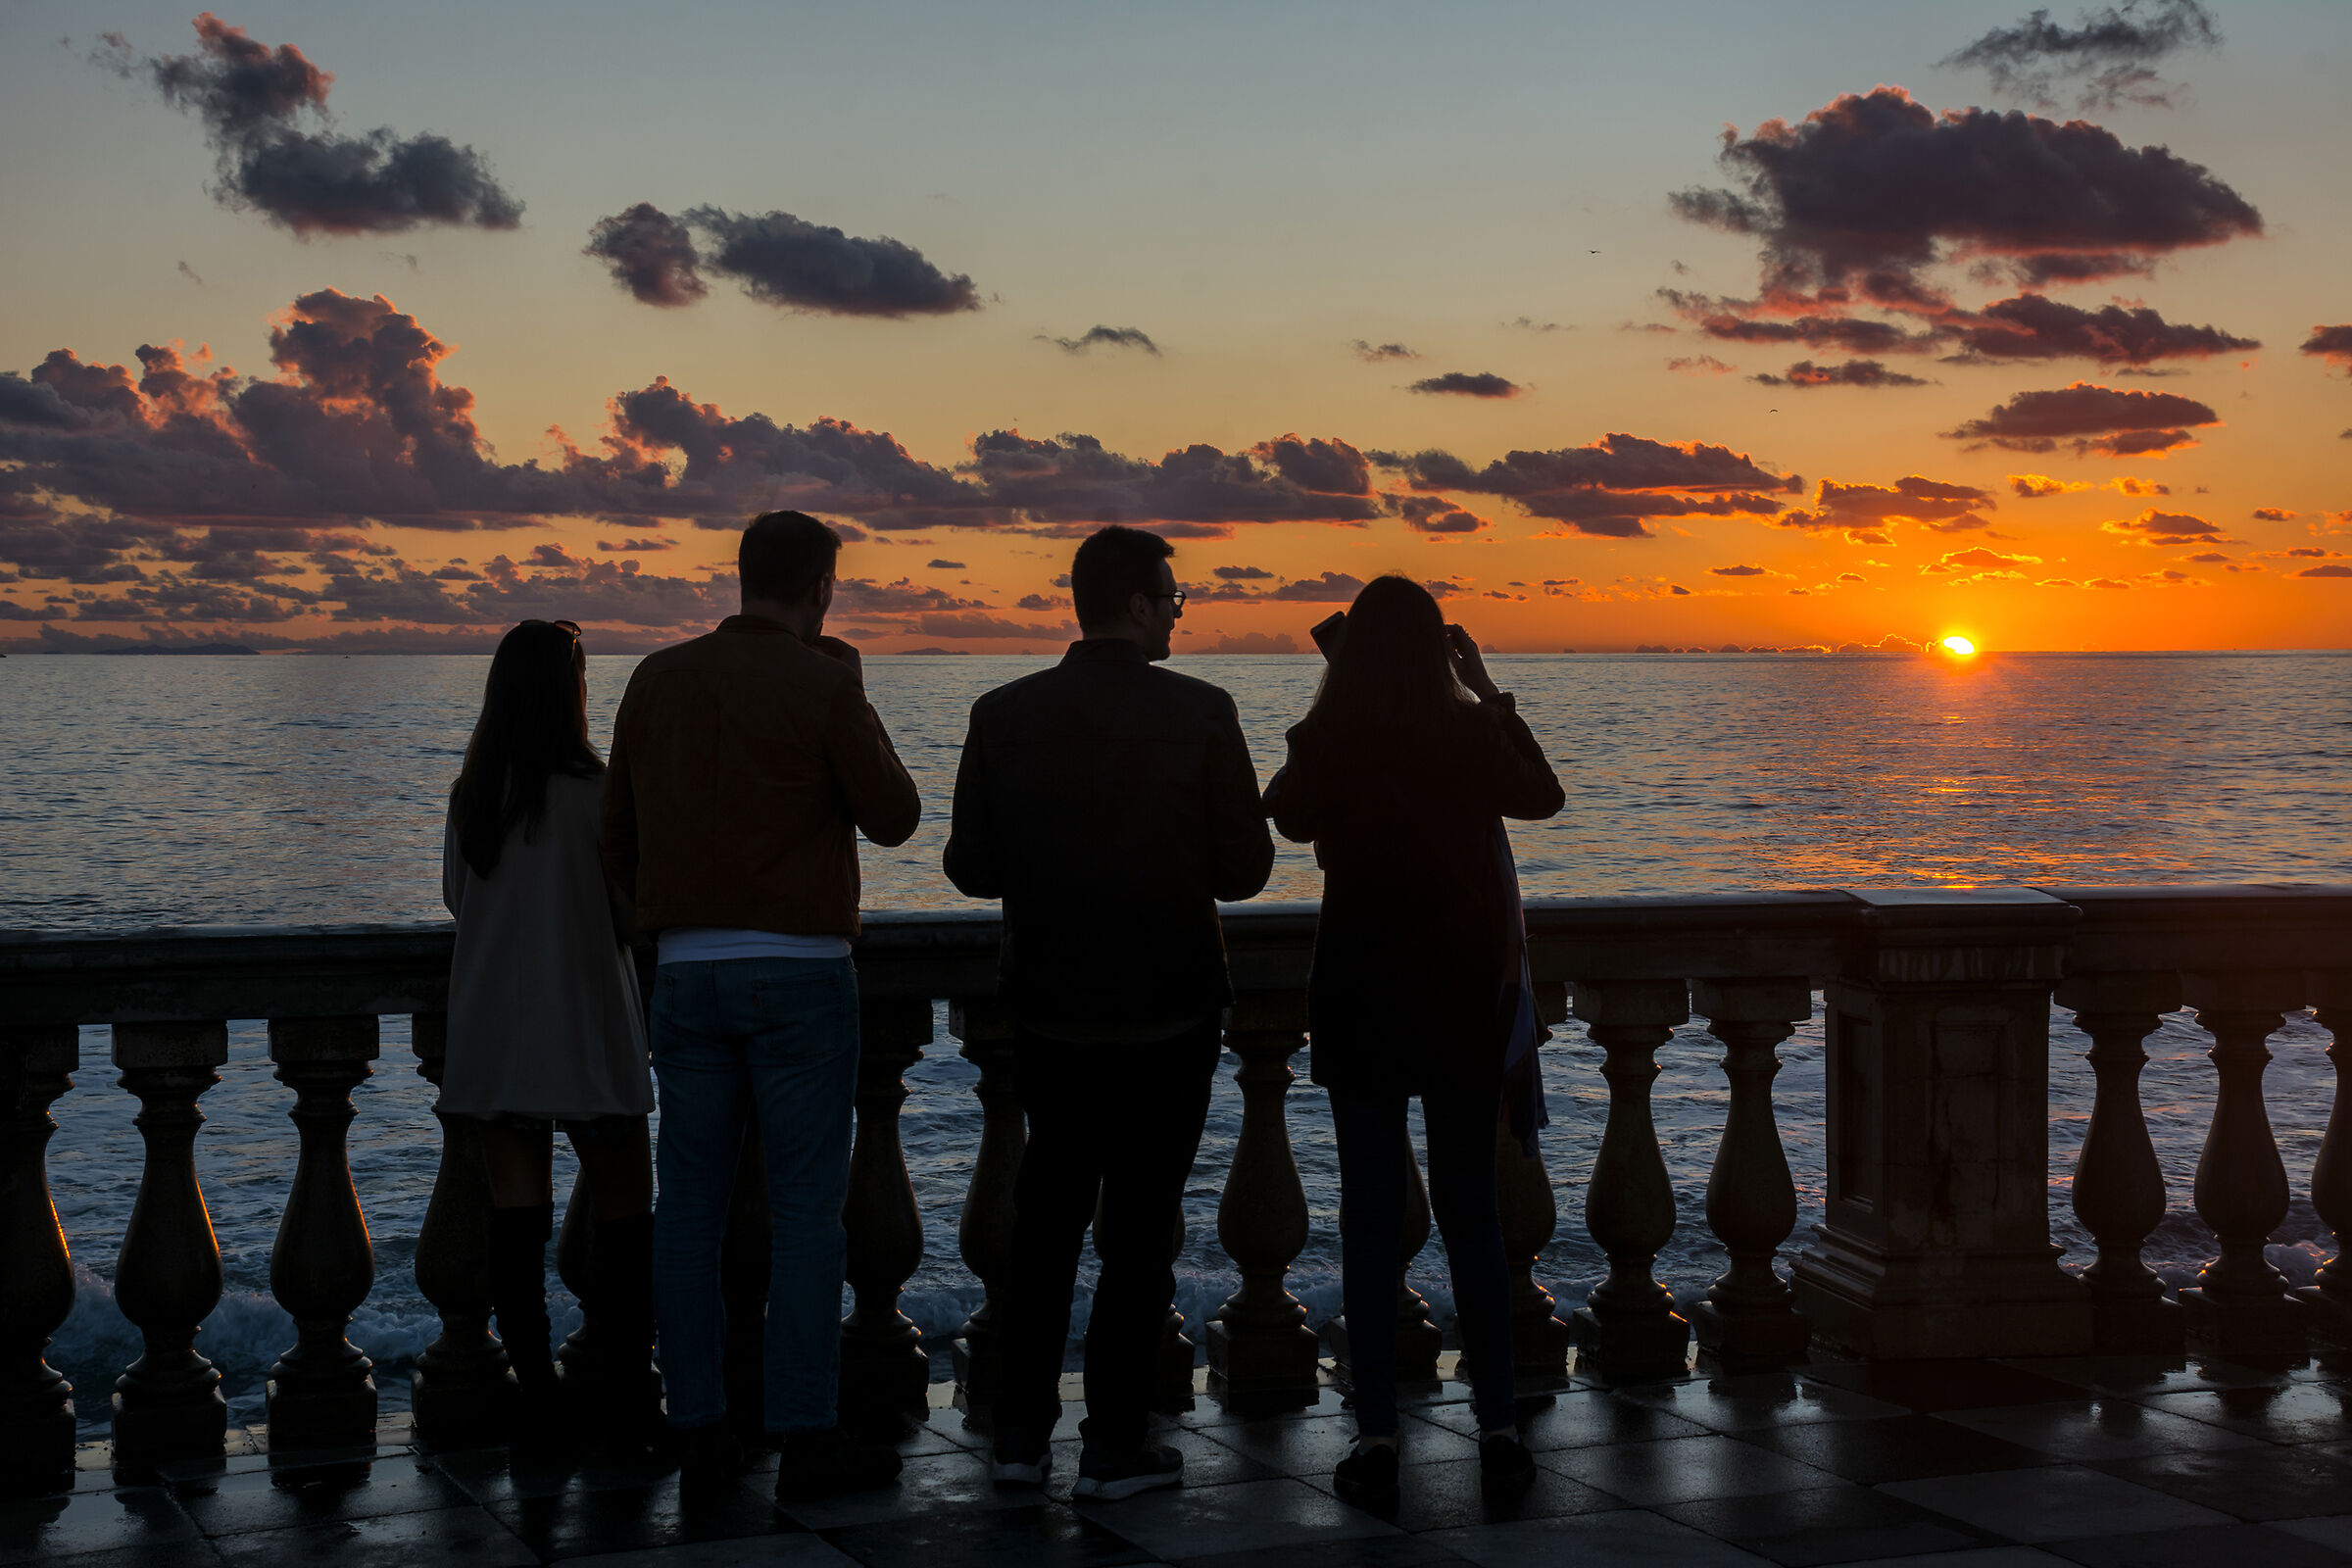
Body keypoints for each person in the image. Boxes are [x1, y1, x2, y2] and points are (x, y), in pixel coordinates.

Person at [944, 524, 1274, 1500]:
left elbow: (969, 867)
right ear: (1138, 602)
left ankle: (1017, 1440)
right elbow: (1248, 870)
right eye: (1174, 595)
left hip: (1049, 1016)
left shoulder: (1002, 713)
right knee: (1138, 1236)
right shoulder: (1204, 711)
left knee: (1044, 1228)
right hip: (1171, 1016)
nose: (1178, 609)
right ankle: (1114, 1444)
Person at [601, 510, 921, 1502]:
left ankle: (698, 1423)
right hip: (801, 973)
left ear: (742, 580)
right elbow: (896, 815)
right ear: (822, 584)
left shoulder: (657, 678)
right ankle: (804, 1430)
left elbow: (617, 838)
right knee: (805, 1213)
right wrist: (852, 695)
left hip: (687, 973)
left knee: (687, 1211)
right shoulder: (826, 681)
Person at [1262, 575, 1564, 1509]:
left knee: (1368, 1213)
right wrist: (1484, 684)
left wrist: (1329, 699)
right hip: (1461, 1000)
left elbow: (1287, 812)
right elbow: (1543, 796)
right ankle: (1501, 1428)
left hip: (1359, 994)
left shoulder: (1332, 739)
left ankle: (1377, 1435)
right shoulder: (1471, 733)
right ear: (1442, 649)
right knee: (1471, 1213)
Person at [440, 618, 657, 1446]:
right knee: (627, 1225)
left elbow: (461, 901)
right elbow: (632, 914)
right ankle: (630, 1395)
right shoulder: (598, 795)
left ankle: (539, 1402)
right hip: (591, 1028)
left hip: (500, 1034)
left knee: (516, 1228)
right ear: (571, 694)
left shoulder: (474, 799)